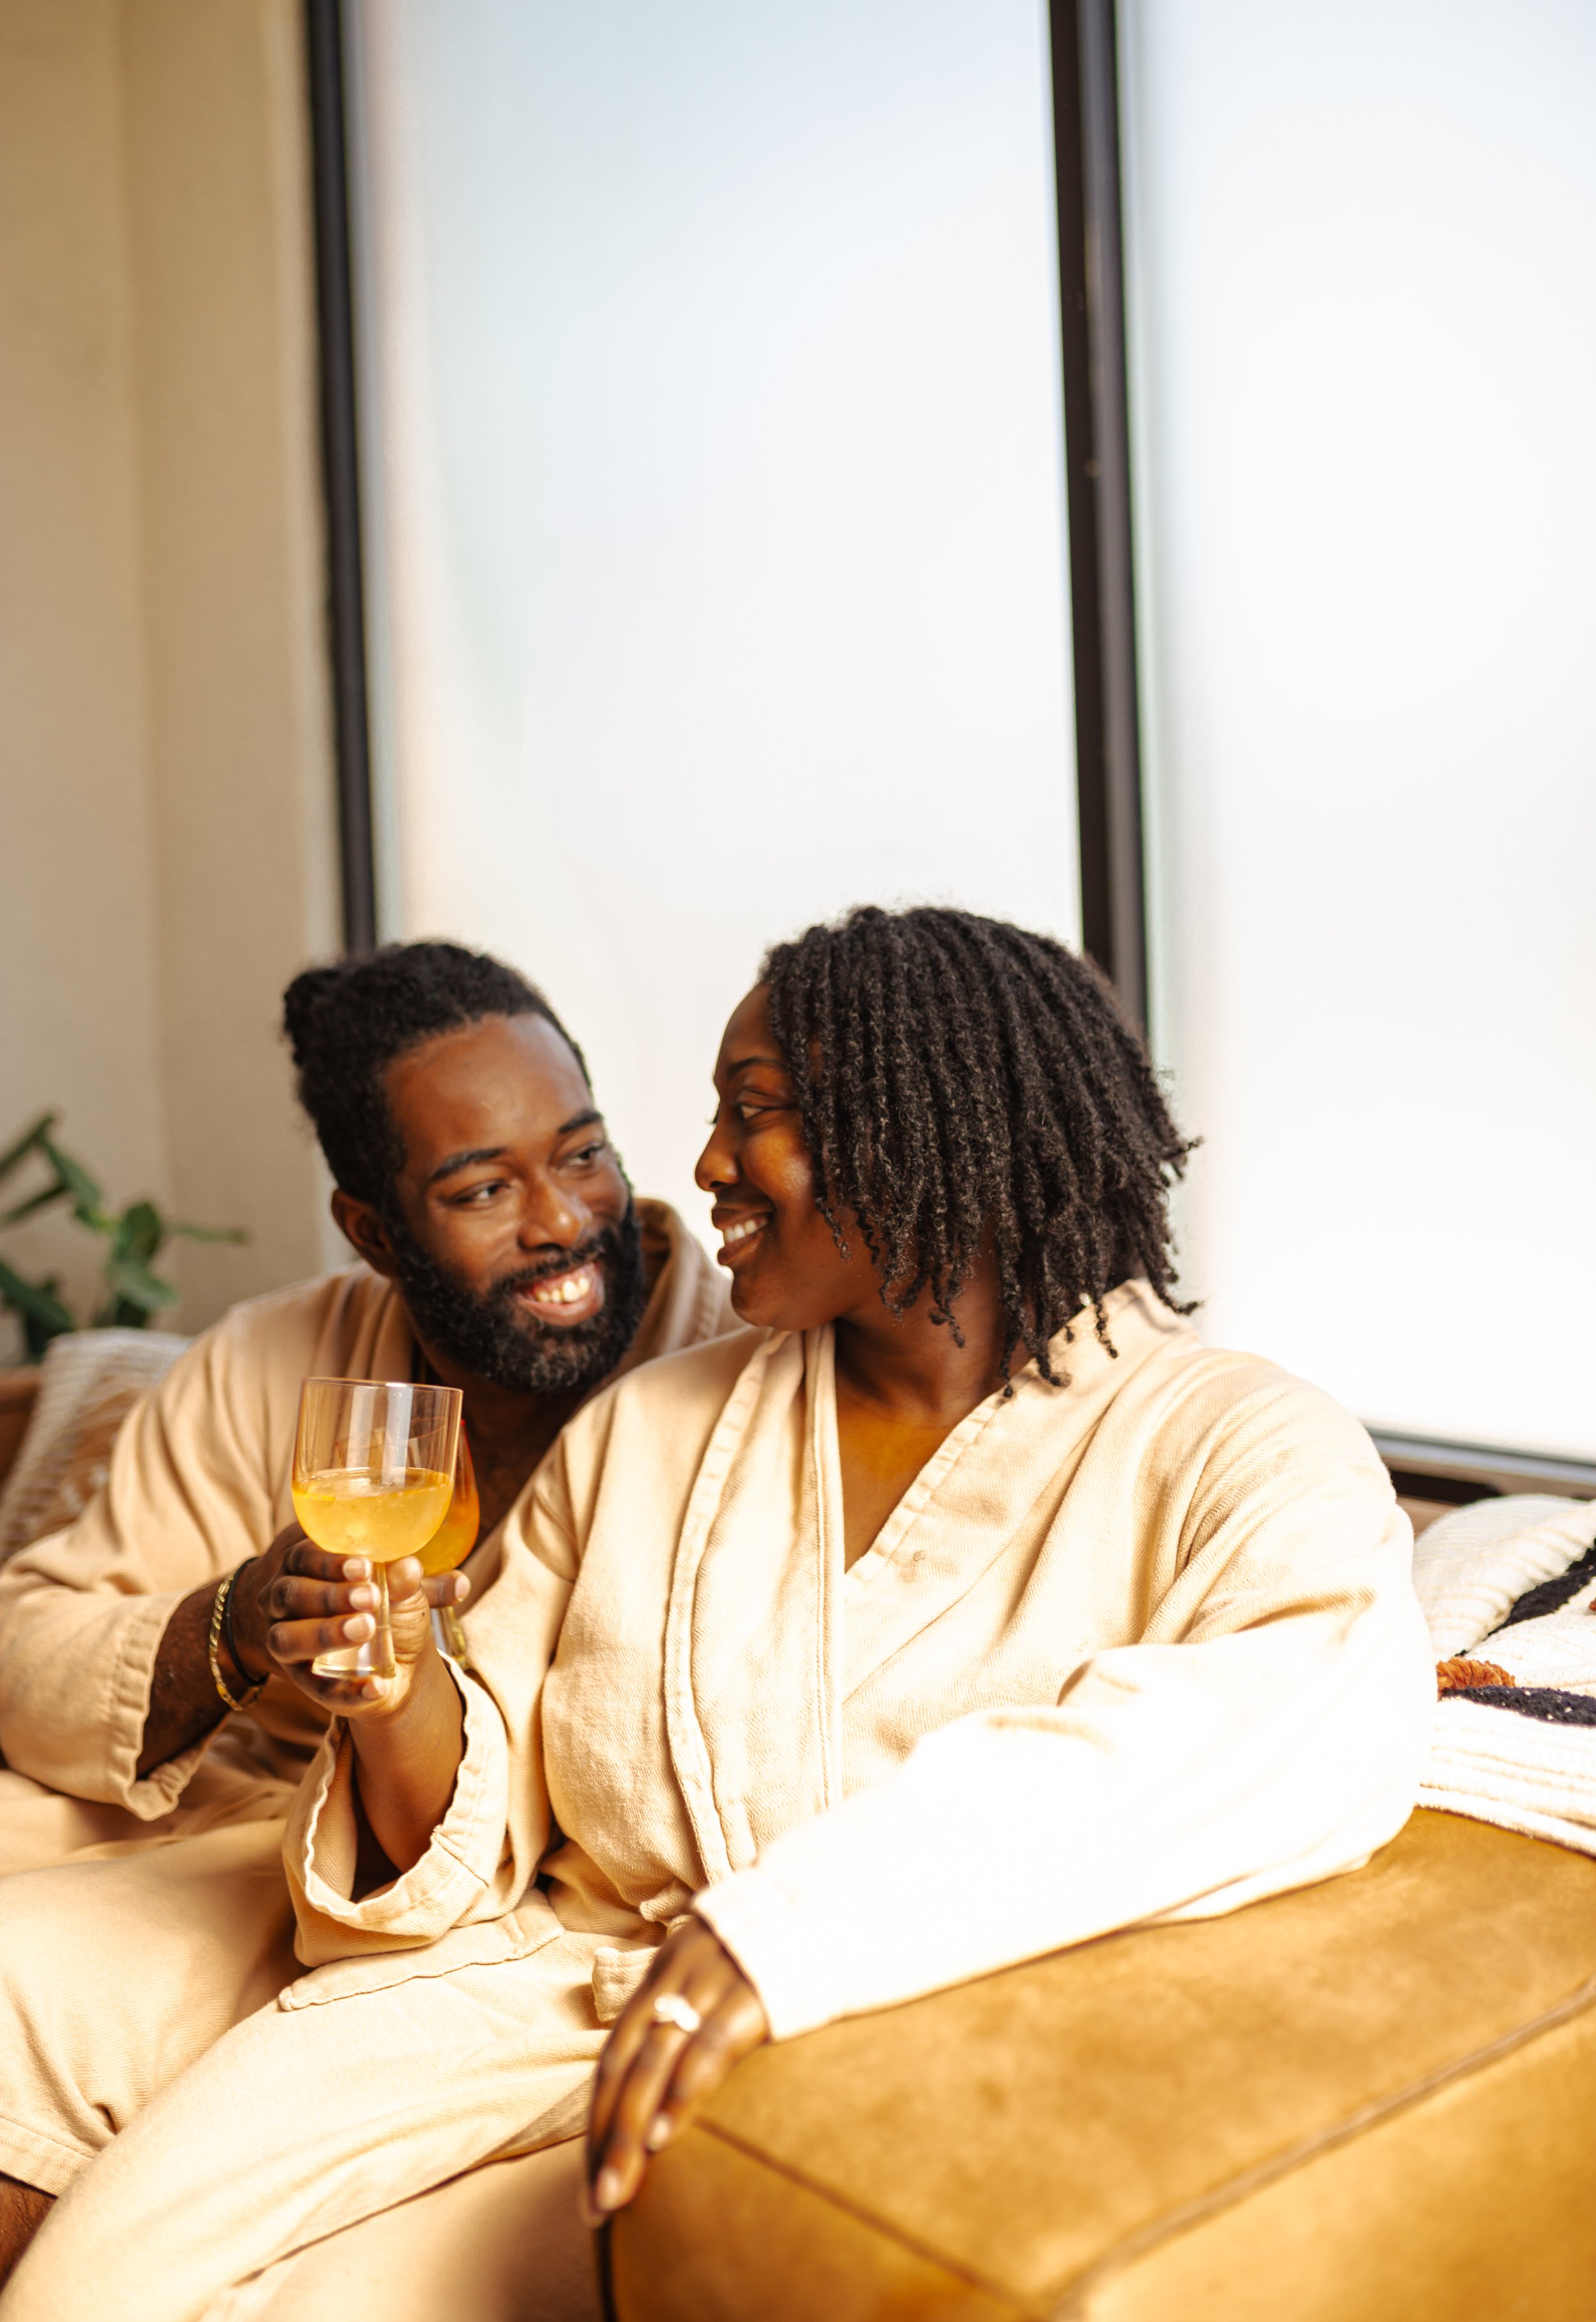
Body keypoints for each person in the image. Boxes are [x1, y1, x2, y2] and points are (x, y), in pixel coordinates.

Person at [0, 907, 1434, 2319]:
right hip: (536, 1999)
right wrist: (392, 1688)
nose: (697, 1167)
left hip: (850, 2029)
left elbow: (1289, 1721)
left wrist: (790, 1933)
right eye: (709, 1111)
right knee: (117, 2273)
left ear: (917, 1127)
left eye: (753, 1112)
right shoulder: (656, 1425)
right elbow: (479, 1790)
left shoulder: (1237, 1442)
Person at [0, 940, 734, 1876]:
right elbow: (28, 1652)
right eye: (483, 1190)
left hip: (551, 1885)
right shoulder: (259, 1361)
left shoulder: (744, 1362)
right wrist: (240, 1620)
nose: (561, 1220)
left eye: (583, 1152)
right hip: (259, 1830)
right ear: (374, 1233)